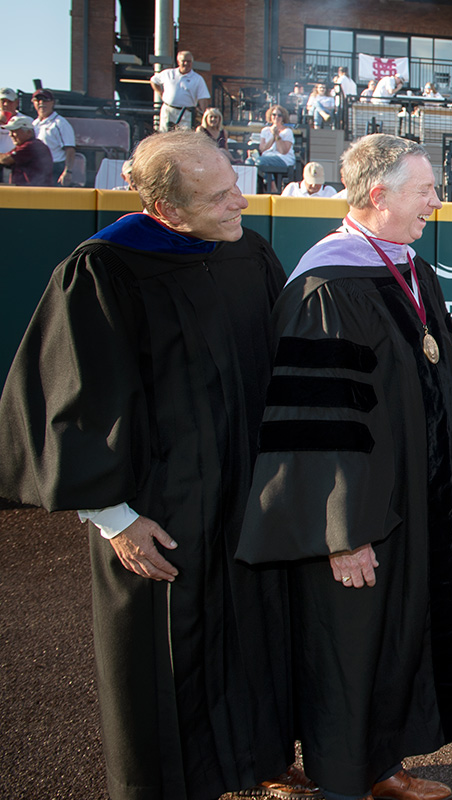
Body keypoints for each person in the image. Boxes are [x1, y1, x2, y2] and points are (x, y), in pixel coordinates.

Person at [0, 130, 304, 800]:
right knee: (170, 657)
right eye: (220, 196)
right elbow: (70, 399)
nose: (242, 202)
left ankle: (260, 757)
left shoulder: (247, 253)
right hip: (158, 512)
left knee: (256, 633)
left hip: (244, 499)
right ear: (167, 210)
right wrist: (112, 518)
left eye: (236, 183)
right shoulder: (104, 270)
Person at [238, 134, 452, 800]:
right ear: (380, 195)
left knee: (396, 635)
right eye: (424, 190)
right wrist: (340, 530)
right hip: (358, 513)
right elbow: (318, 419)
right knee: (347, 644)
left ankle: (382, 764)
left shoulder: (410, 270)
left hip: (410, 504)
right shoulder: (326, 285)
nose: (436, 200)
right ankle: (342, 778)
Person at [150, 50, 211, 132]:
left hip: (186, 113)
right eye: (184, 61)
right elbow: (154, 80)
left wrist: (205, 116)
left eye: (189, 61)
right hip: (168, 110)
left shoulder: (198, 79)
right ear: (178, 62)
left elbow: (203, 98)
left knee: (184, 139)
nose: (186, 64)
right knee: (165, 137)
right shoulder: (168, 73)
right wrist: (160, 93)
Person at [31, 89, 76, 185]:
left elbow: (70, 149)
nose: (41, 103)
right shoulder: (34, 124)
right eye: (38, 100)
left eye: (45, 100)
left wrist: (67, 171)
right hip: (38, 168)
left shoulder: (60, 123)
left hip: (56, 168)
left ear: (52, 102)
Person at [0, 115, 54, 186]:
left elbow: (5, 160)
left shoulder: (31, 146)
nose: (10, 135)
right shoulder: (25, 146)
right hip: (29, 190)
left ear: (28, 132)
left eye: (14, 131)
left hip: (33, 192)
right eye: (10, 131)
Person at [255, 104, 296, 192]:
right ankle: (257, 190)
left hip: (283, 159)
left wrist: (277, 135)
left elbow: (283, 151)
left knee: (260, 161)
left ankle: (272, 187)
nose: (276, 117)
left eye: (279, 115)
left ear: (283, 117)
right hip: (266, 158)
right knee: (249, 162)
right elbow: (262, 149)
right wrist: (273, 136)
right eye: (274, 114)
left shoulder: (287, 132)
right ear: (270, 116)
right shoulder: (265, 130)